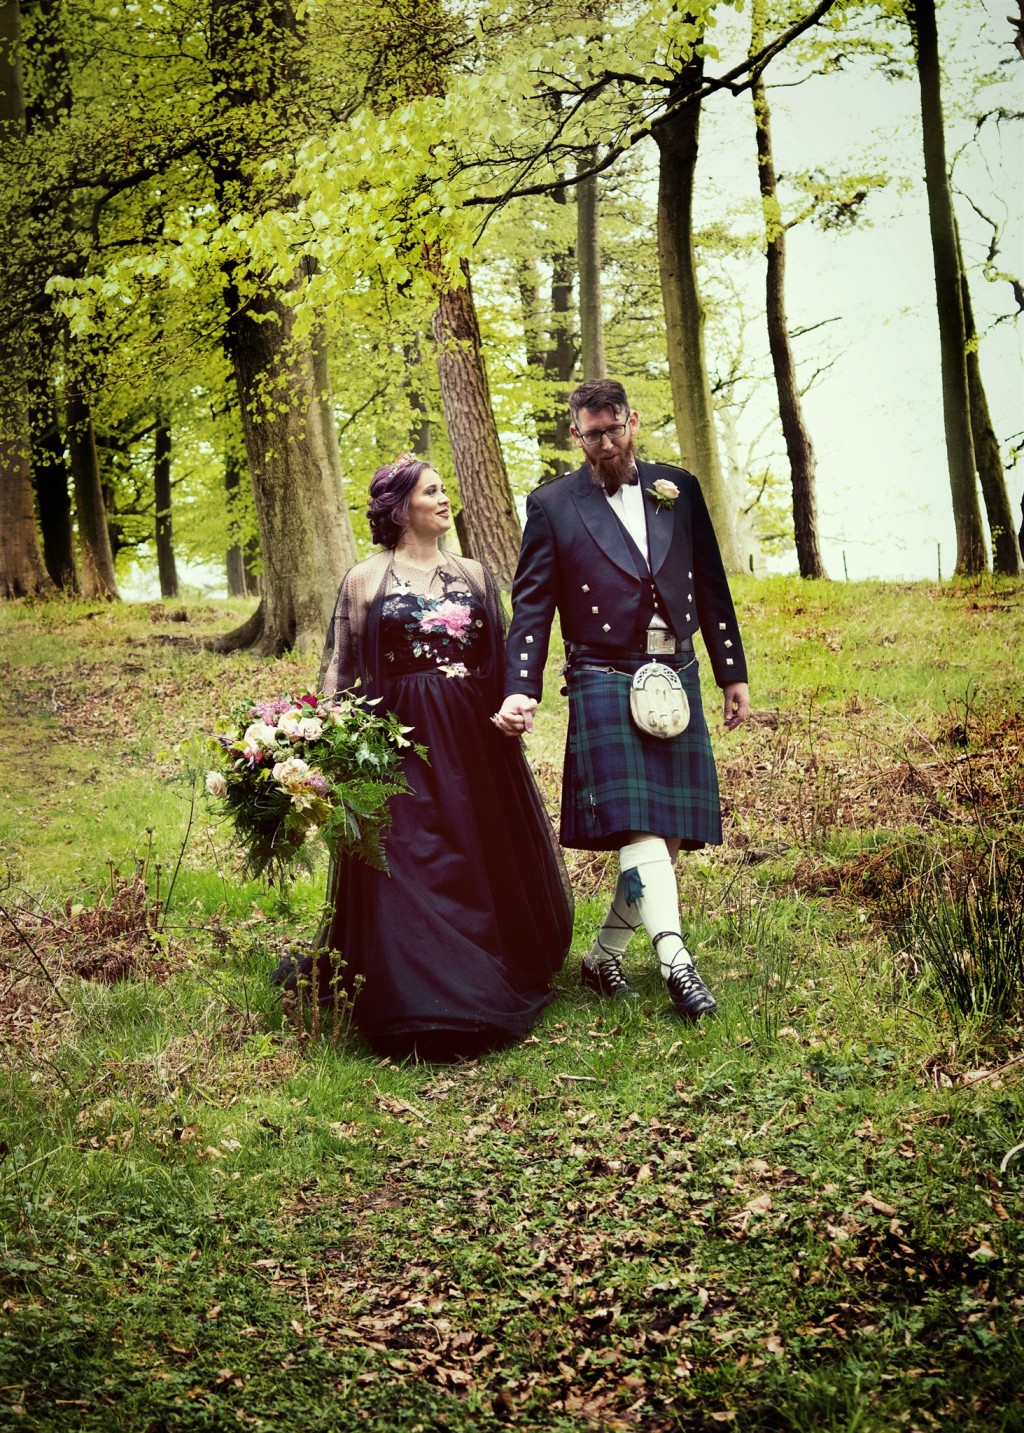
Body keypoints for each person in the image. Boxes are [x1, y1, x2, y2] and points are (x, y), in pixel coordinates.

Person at [493, 380, 749, 1022]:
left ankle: (603, 954)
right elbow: (532, 604)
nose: (606, 443)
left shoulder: (677, 488)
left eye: (614, 429)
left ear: (632, 423)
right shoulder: (553, 504)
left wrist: (731, 672)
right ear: (575, 435)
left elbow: (711, 583)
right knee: (641, 823)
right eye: (593, 433)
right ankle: (676, 963)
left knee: (669, 833)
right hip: (602, 669)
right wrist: (521, 686)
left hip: (675, 666)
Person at [312, 454, 573, 1060]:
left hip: (471, 740)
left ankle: (479, 975)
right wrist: (326, 741)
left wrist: (513, 706)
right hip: (395, 738)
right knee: (405, 851)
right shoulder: (364, 580)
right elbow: (340, 670)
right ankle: (412, 993)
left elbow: (500, 658)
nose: (444, 498)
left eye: (443, 489)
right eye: (431, 491)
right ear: (401, 508)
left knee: (470, 845)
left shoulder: (475, 574)